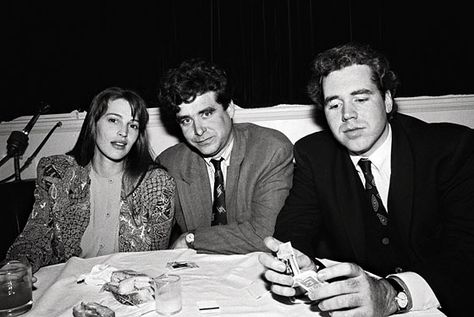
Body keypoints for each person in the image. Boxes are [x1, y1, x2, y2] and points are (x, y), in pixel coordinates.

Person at [259, 43, 474, 316]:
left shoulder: (451, 150)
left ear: (387, 100)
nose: (347, 114)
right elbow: (295, 226)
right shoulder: (314, 155)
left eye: (360, 99)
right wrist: (299, 264)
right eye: (334, 104)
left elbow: (467, 254)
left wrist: (393, 293)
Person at [6, 87, 176, 273]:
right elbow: (35, 236)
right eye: (113, 120)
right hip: (67, 285)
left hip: (129, 284)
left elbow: (155, 258)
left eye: (133, 125)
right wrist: (20, 265)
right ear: (93, 124)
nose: (123, 132)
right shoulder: (57, 173)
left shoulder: (156, 183)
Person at [156, 58, 294, 254]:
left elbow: (264, 236)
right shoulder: (169, 164)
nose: (198, 130)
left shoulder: (271, 150)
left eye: (206, 114)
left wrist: (192, 239)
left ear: (229, 108)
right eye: (186, 120)